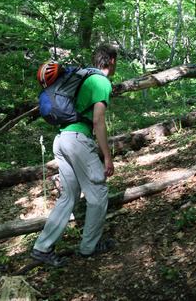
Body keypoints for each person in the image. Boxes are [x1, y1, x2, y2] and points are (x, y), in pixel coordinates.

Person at [31, 44, 118, 267]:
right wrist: (107, 156)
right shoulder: (101, 81)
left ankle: (42, 248)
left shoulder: (82, 77)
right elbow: (98, 120)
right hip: (77, 140)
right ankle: (89, 248)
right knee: (97, 192)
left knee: (69, 196)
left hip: (61, 140)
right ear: (112, 61)